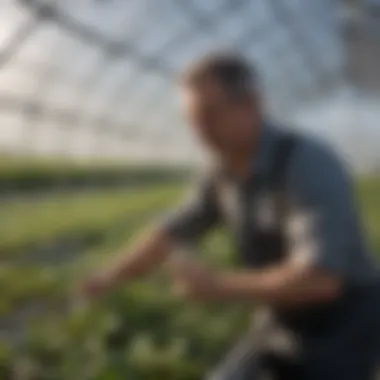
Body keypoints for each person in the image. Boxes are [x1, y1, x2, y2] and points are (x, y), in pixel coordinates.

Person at [81, 53, 379, 379]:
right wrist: (110, 275)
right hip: (280, 313)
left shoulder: (306, 163)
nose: (200, 132)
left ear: (251, 104)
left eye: (210, 115)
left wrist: (217, 285)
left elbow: (322, 280)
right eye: (192, 120)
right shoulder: (220, 172)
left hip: (342, 325)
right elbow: (172, 231)